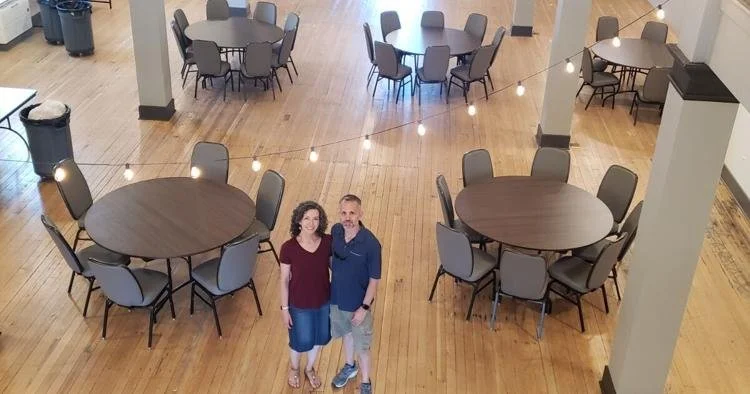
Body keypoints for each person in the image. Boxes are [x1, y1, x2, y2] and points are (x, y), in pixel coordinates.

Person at [329, 194, 382, 394]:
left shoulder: (371, 244)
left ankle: (366, 382)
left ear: (360, 214)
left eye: (352, 213)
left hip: (359, 306)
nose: (347, 217)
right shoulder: (335, 231)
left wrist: (364, 308)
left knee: (363, 347)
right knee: (347, 335)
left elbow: (374, 281)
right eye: (343, 213)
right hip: (337, 300)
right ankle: (350, 367)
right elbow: (331, 257)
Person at [279, 201, 332, 389]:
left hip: (324, 301)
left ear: (321, 221)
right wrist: (285, 309)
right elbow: (284, 280)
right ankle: (294, 368)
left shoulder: (327, 242)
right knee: (299, 341)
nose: (311, 223)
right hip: (299, 304)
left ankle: (309, 368)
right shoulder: (288, 248)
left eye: (316, 218)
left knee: (319, 338)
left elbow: (336, 268)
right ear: (299, 221)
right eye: (307, 218)